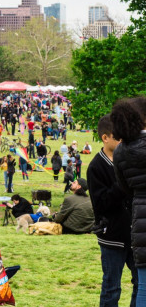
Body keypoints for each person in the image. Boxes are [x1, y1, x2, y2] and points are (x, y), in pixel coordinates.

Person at [88, 113, 138, 307]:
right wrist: (121, 182)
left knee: (141, 283)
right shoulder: (96, 166)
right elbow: (100, 204)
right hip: (111, 236)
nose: (122, 141)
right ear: (105, 137)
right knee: (111, 287)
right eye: (118, 137)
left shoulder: (128, 159)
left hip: (135, 234)